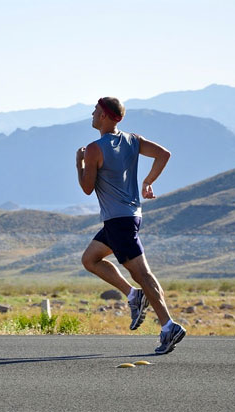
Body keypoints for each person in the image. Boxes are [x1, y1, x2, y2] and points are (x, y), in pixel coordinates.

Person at [76, 97, 186, 355]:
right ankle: (133, 295)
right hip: (129, 217)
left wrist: (79, 163)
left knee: (143, 274)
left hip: (118, 221)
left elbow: (87, 188)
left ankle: (169, 326)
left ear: (104, 115)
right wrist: (148, 182)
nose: (92, 114)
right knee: (90, 259)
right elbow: (163, 154)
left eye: (94, 111)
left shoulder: (93, 149)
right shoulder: (133, 139)